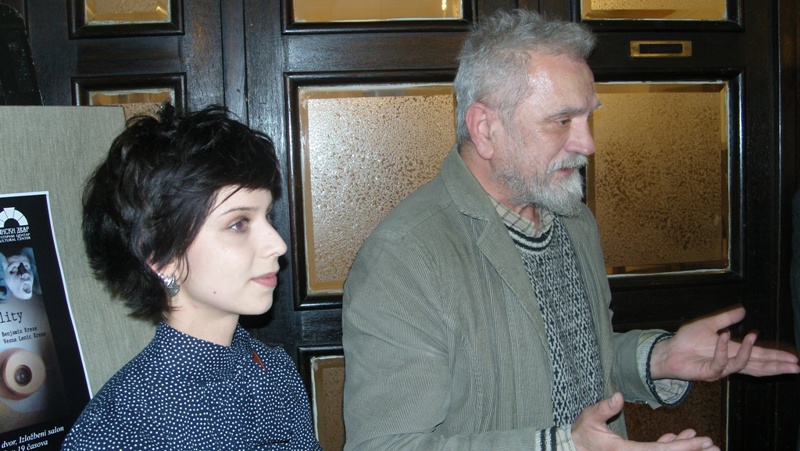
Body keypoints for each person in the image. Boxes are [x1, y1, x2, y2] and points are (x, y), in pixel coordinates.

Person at [341, 9, 800, 451]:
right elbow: (386, 445)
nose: (587, 144)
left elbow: (570, 359)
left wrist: (659, 358)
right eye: (562, 121)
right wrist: (564, 446)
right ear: (485, 128)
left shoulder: (571, 219)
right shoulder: (404, 258)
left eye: (587, 117)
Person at [62, 104, 322, 450]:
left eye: (267, 217)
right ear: (160, 256)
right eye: (239, 224)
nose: (277, 244)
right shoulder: (120, 430)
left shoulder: (274, 372)